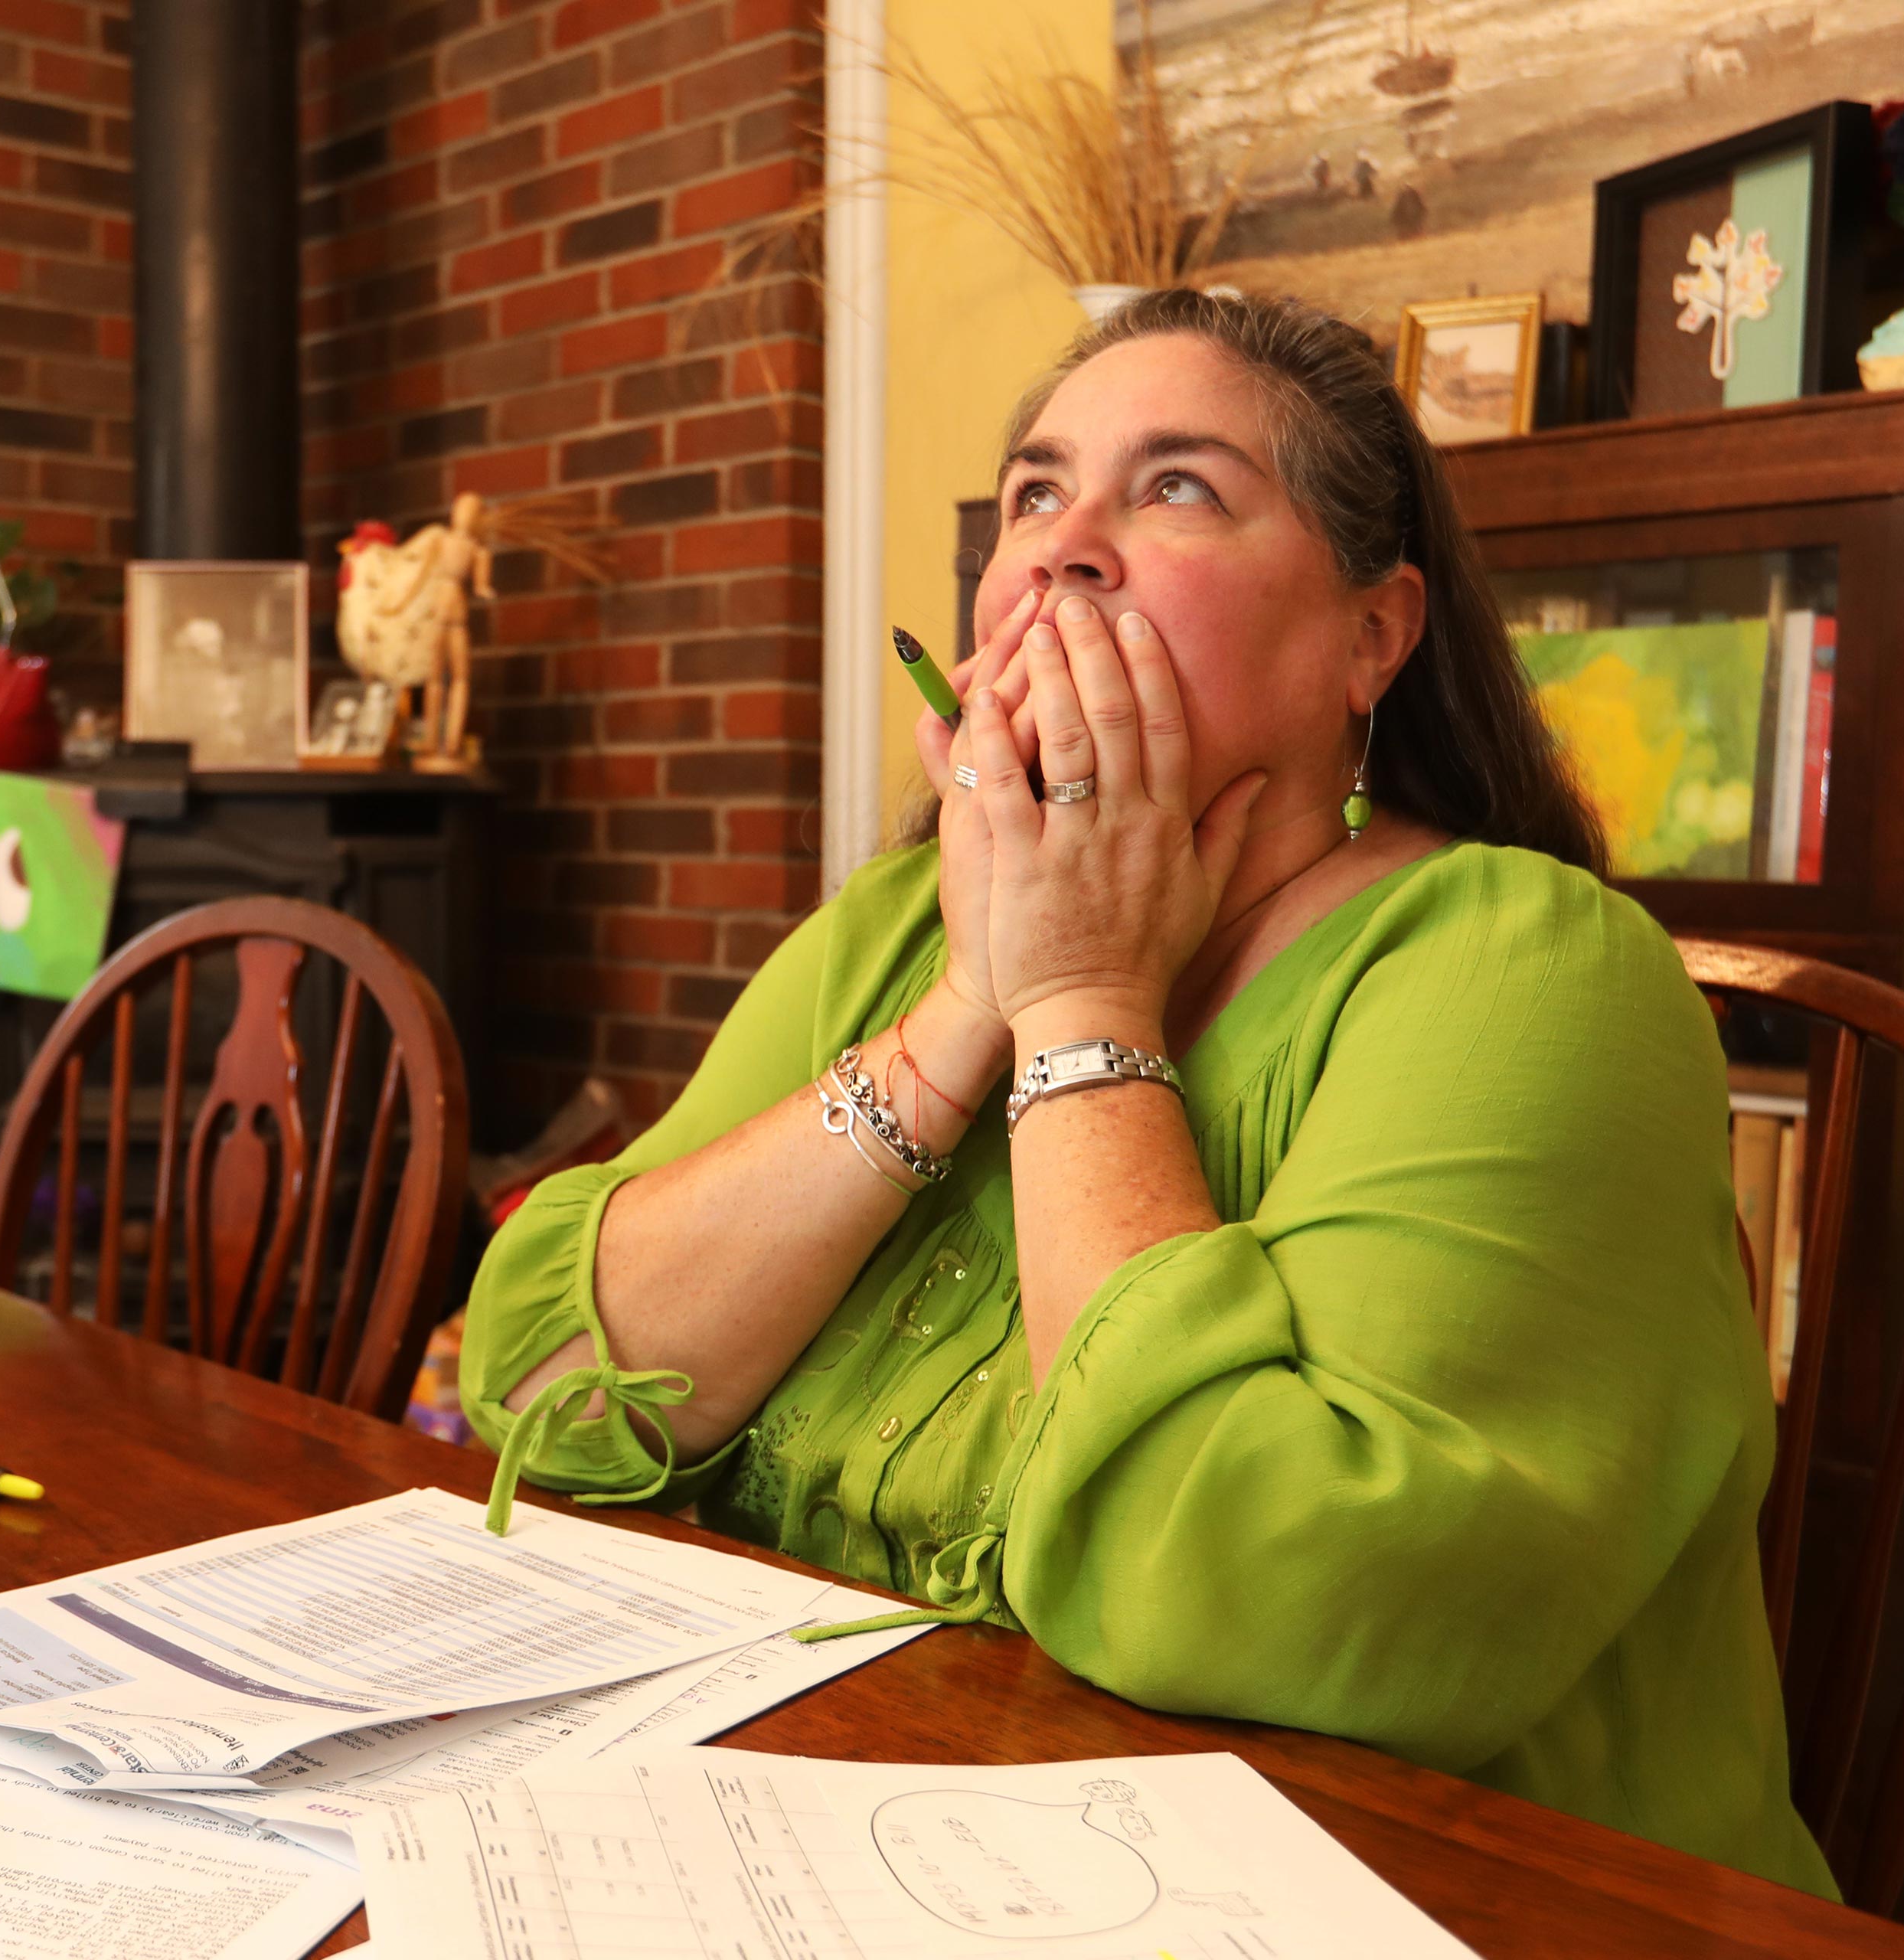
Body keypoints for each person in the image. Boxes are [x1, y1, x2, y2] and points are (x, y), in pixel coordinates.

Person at [459, 289, 1834, 1896]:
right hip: (850, 1851)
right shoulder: (897, 931)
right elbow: (545, 1377)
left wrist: (1082, 1003)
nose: (1064, 545)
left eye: (1176, 486)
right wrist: (970, 1003)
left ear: (1370, 638)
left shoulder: (1538, 970)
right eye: (1036, 491)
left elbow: (1259, 1597)